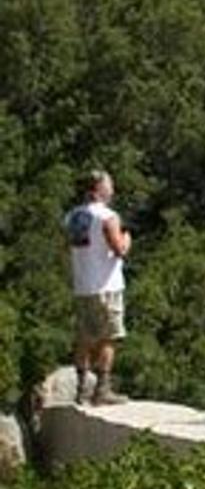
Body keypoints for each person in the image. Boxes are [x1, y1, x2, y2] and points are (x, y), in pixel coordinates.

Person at [62, 169, 132, 406]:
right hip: (106, 285)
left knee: (84, 337)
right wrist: (127, 239)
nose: (112, 188)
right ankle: (102, 389)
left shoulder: (72, 216)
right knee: (108, 337)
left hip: (83, 285)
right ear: (99, 189)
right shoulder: (107, 217)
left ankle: (81, 388)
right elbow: (119, 249)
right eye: (109, 184)